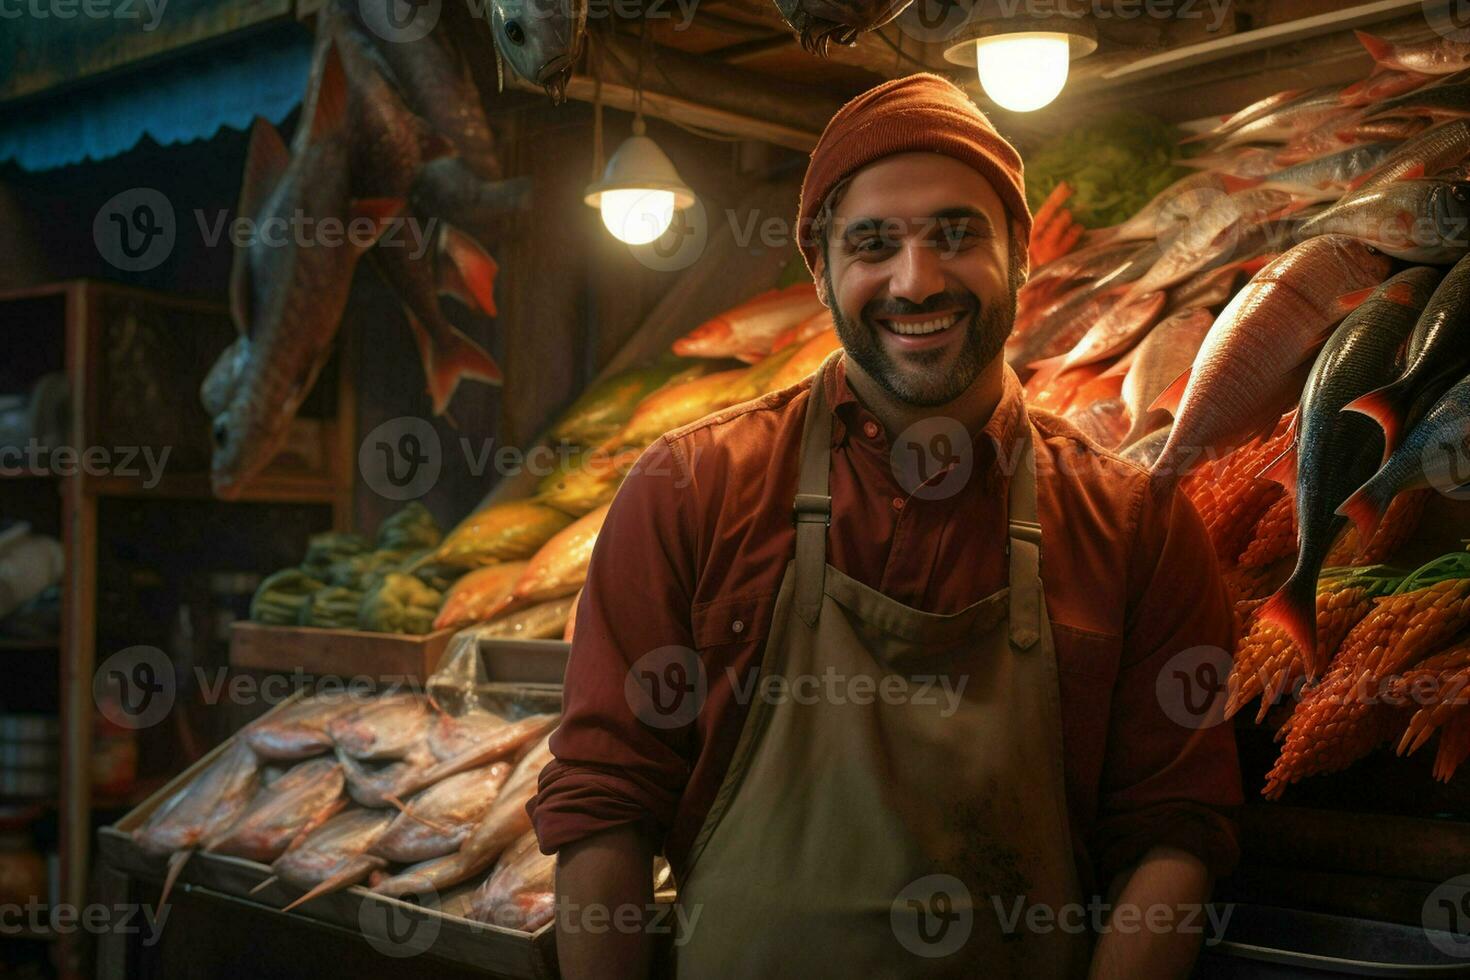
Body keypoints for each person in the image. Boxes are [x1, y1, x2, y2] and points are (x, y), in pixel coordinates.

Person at [529, 73, 1241, 979]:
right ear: (820, 268)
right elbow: (605, 803)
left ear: (1020, 252)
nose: (918, 280)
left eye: (957, 234)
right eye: (873, 244)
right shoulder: (689, 489)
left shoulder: (1137, 523)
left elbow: (1173, 832)